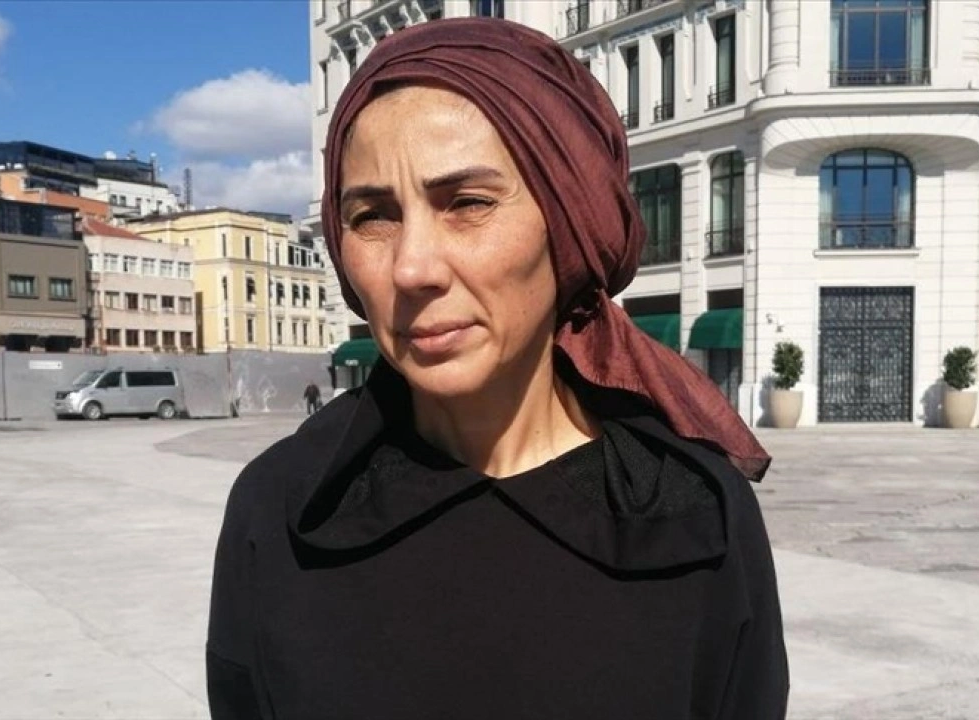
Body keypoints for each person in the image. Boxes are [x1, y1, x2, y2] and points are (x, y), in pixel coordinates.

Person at [208, 18, 786, 720]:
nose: (412, 268)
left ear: (567, 225)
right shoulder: (282, 508)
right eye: (372, 216)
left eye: (468, 204)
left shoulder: (693, 512)